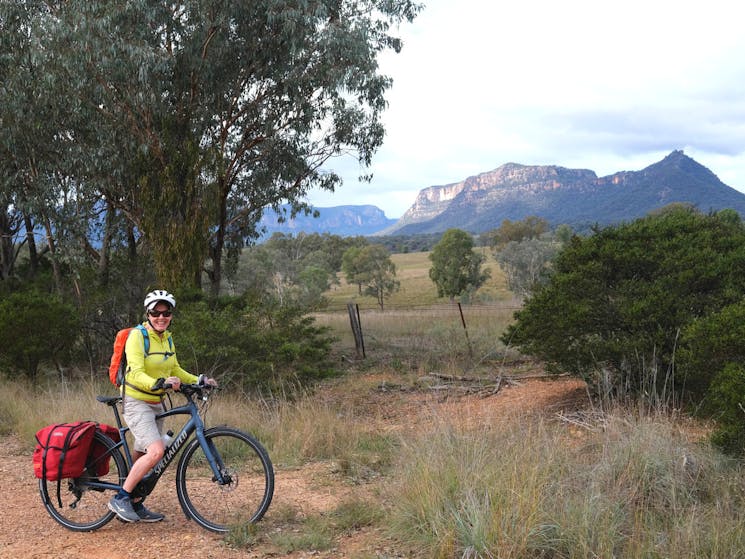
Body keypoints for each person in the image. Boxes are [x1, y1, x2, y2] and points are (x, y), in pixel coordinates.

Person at [107, 289, 217, 523]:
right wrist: (159, 382)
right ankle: (121, 497)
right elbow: (134, 373)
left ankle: (136, 503)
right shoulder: (138, 336)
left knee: (146, 453)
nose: (161, 317)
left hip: (156, 402)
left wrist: (198, 380)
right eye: (155, 312)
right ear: (147, 314)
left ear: (171, 315)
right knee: (156, 451)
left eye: (165, 312)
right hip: (136, 401)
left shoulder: (167, 337)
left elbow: (175, 369)